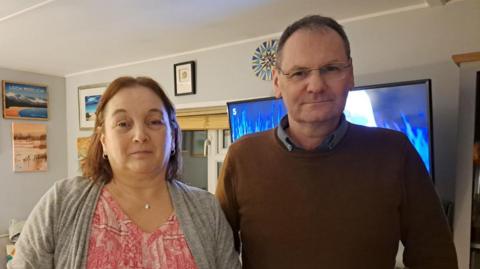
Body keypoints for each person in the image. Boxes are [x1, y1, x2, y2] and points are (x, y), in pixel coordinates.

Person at [216, 15, 458, 268]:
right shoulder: (241, 156)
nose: (316, 85)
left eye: (331, 69)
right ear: (277, 82)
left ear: (350, 74)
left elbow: (435, 256)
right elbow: (214, 253)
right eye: (299, 73)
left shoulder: (396, 152)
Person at [10, 76, 241, 269]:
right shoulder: (62, 201)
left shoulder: (206, 210)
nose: (140, 135)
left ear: (172, 138)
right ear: (104, 141)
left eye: (154, 121)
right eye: (123, 124)